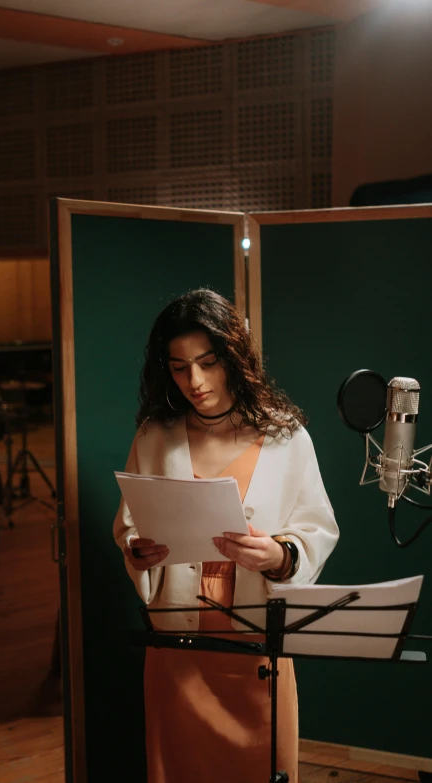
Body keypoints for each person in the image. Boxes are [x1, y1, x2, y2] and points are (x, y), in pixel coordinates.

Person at [113, 288, 339, 783]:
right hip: (177, 646)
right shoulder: (155, 434)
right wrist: (139, 551)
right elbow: (129, 523)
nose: (194, 381)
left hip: (257, 648)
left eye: (207, 362)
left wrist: (279, 556)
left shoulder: (288, 437)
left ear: (234, 358)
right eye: (178, 367)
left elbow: (317, 529)